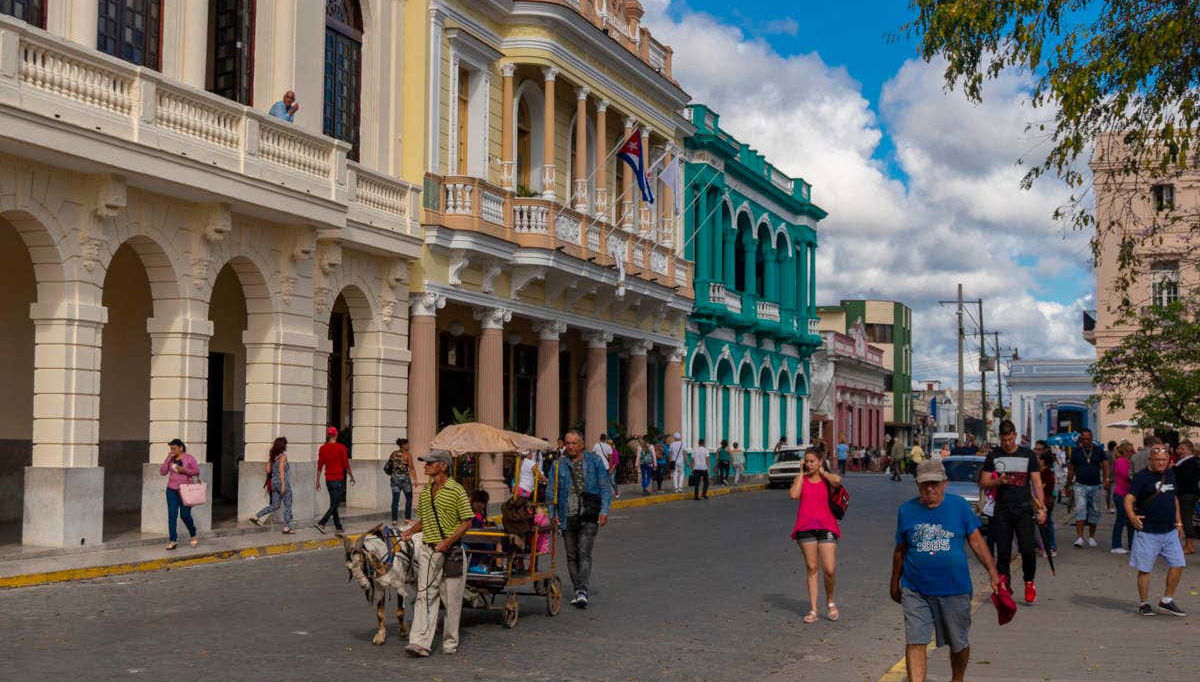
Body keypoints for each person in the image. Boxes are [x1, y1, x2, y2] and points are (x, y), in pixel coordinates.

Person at [891, 459, 1000, 682]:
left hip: (954, 588)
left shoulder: (959, 506)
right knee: (915, 641)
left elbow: (976, 541)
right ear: (917, 484)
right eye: (925, 484)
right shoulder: (906, 510)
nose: (930, 488)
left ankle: (957, 678)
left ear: (945, 483)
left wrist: (992, 572)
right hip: (915, 589)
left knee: (958, 643)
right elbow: (900, 550)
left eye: (935, 483)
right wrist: (894, 583)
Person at [401, 450, 474, 657]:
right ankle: (419, 642)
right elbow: (424, 521)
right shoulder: (425, 492)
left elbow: (467, 521)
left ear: (443, 466)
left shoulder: (456, 490)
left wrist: (447, 542)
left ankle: (450, 642)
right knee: (424, 595)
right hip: (428, 550)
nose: (425, 466)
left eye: (430, 463)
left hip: (452, 553)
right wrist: (410, 531)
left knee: (451, 600)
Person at [980, 420, 1046, 605]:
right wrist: (997, 482)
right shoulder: (993, 455)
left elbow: (1036, 483)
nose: (1007, 443)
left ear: (1015, 435)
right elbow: (984, 482)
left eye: (1010, 439)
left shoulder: (1028, 454)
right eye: (1004, 440)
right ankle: (1005, 587)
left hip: (1024, 509)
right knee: (1003, 553)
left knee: (1028, 550)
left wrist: (1042, 508)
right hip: (1002, 510)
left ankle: (1029, 582)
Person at [549, 429, 612, 608]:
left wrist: (604, 511)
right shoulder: (557, 465)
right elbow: (551, 492)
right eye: (567, 443)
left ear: (582, 445)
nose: (570, 446)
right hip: (567, 515)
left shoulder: (595, 461)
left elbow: (604, 487)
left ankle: (582, 590)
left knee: (584, 552)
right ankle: (578, 589)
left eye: (574, 443)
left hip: (589, 514)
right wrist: (552, 515)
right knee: (571, 555)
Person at [1124, 446, 1187, 616]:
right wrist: (1132, 517)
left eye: (1164, 460)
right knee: (1145, 569)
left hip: (1169, 531)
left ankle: (1167, 600)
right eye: (1158, 460)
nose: (1161, 463)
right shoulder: (1142, 477)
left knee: (1178, 564)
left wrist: (1179, 523)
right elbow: (1129, 499)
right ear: (1150, 460)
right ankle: (1144, 603)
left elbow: (1174, 498)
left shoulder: (1170, 474)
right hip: (1148, 531)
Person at [789, 448, 843, 623]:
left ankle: (830, 600)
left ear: (819, 461)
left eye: (812, 461)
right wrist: (800, 472)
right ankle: (813, 609)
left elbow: (838, 481)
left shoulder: (827, 480)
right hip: (805, 527)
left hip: (827, 526)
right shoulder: (802, 479)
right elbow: (794, 494)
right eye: (806, 461)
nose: (809, 464)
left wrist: (823, 472)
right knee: (812, 568)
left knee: (829, 569)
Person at [1065, 428, 1109, 548]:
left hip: (1096, 485)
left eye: (1088, 439)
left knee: (1094, 511)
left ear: (1092, 438)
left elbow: (1105, 466)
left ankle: (1091, 537)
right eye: (1084, 439)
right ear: (1080, 439)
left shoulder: (1098, 450)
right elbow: (1071, 469)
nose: (1086, 441)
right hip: (1080, 485)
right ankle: (1079, 537)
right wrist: (1068, 485)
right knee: (1080, 510)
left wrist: (1106, 480)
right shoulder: (1076, 451)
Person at [160, 438, 200, 550]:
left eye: (174, 448)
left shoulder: (189, 458)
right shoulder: (171, 459)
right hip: (171, 490)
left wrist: (183, 470)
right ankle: (173, 540)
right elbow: (163, 472)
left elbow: (196, 471)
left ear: (181, 448)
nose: (172, 451)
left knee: (185, 515)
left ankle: (193, 533)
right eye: (171, 449)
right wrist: (167, 459)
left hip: (185, 491)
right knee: (172, 515)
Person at [315, 426, 354, 534]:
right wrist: (351, 476)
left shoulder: (323, 448)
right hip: (338, 479)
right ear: (336, 435)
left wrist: (317, 480)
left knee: (333, 503)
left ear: (328, 435)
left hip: (328, 479)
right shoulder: (341, 447)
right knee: (335, 504)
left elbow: (320, 465)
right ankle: (322, 523)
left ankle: (338, 527)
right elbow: (346, 465)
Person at [250, 437, 294, 534]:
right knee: (288, 505)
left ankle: (256, 516)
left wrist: (270, 460)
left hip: (273, 483)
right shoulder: (283, 457)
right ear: (283, 446)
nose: (286, 446)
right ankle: (287, 528)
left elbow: (267, 470)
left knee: (275, 505)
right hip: (282, 482)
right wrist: (283, 485)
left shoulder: (273, 457)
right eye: (285, 444)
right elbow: (281, 470)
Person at [1173, 439, 1199, 555]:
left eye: (1182, 449)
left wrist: (1174, 469)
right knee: (1185, 519)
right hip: (1186, 493)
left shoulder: (1190, 462)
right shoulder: (1184, 461)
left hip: (1187, 494)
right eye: (1179, 448)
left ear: (1189, 450)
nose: (1180, 451)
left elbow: (1186, 478)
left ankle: (1189, 545)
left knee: (1186, 519)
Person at [1111, 441, 1136, 553]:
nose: (1133, 453)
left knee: (1130, 521)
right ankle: (1116, 545)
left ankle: (1132, 544)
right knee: (1121, 520)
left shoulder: (1130, 462)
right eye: (1131, 451)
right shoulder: (1120, 461)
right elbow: (1127, 476)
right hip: (1121, 494)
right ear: (1125, 451)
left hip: (1128, 495)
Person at [384, 438, 414, 523]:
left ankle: (394, 520)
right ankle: (407, 518)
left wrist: (392, 474)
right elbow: (411, 467)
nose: (408, 446)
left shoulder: (393, 453)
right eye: (407, 444)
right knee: (409, 498)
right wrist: (415, 479)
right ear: (403, 445)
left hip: (394, 479)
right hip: (405, 480)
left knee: (395, 499)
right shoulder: (407, 454)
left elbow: (388, 466)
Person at [1036, 446, 1057, 557]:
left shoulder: (1047, 473)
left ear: (1043, 461)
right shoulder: (1040, 472)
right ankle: (1042, 547)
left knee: (1047, 524)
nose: (1038, 460)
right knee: (1042, 525)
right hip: (1039, 501)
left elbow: (1046, 487)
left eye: (1039, 459)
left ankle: (1051, 547)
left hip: (1045, 501)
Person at [594, 433, 619, 499]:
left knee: (611, 481)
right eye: (608, 443)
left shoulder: (614, 451)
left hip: (611, 468)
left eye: (610, 443)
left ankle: (616, 492)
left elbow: (615, 462)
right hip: (605, 467)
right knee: (603, 481)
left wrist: (610, 469)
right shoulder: (602, 447)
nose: (609, 444)